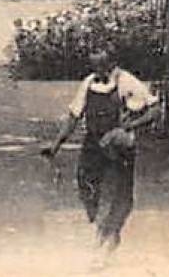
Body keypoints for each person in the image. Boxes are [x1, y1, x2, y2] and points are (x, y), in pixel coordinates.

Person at [41, 48, 160, 255]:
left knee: (120, 193)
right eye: (94, 66)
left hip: (119, 145)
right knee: (85, 183)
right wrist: (56, 145)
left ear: (112, 63)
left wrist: (127, 128)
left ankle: (110, 234)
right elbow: (73, 116)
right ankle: (100, 224)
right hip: (93, 143)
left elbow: (155, 109)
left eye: (102, 67)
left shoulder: (127, 81)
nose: (98, 71)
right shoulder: (89, 82)